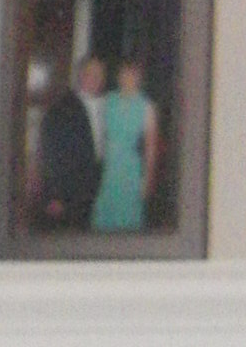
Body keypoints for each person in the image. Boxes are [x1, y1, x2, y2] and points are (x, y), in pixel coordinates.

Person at [33, 37, 100, 231]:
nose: (96, 78)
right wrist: (54, 195)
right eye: (91, 73)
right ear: (81, 75)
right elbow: (50, 151)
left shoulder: (106, 105)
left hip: (95, 194)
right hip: (68, 197)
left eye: (100, 74)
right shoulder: (62, 108)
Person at [91, 56, 157, 235]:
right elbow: (97, 135)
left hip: (130, 170)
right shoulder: (107, 100)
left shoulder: (146, 106)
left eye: (132, 75)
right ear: (118, 76)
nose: (128, 78)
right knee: (102, 221)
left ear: (139, 78)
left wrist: (148, 180)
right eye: (124, 74)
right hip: (108, 168)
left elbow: (151, 147)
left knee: (127, 221)